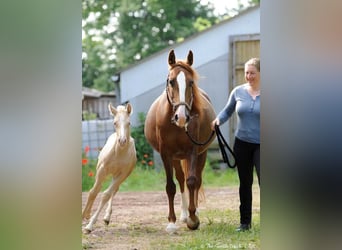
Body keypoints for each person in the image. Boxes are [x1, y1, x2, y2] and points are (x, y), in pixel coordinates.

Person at [211, 58, 260, 232]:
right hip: (242, 143)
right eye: (247, 72)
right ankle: (244, 223)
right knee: (244, 183)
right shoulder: (238, 92)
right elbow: (227, 110)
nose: (248, 76)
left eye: (252, 73)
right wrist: (218, 120)